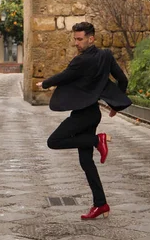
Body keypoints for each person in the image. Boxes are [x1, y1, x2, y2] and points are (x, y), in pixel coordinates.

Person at [36, 22, 131, 220]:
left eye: (80, 39)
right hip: (91, 113)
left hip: (84, 116)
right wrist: (116, 104)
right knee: (86, 162)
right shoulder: (106, 56)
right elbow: (122, 80)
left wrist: (45, 83)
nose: (76, 43)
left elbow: (65, 76)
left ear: (91, 38)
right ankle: (101, 204)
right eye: (75, 39)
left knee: (53, 141)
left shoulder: (81, 61)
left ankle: (98, 141)